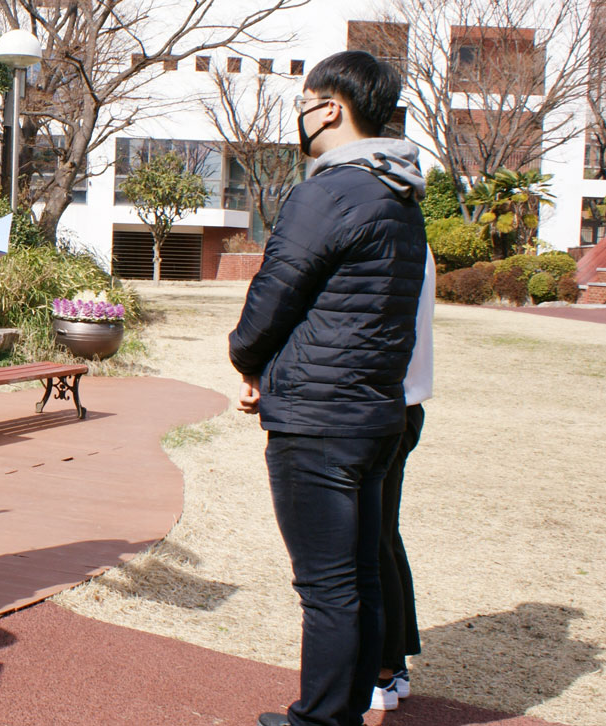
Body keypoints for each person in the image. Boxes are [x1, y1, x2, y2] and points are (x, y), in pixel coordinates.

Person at [229, 51, 427, 726]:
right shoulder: (400, 192)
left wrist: (246, 360)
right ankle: (343, 710)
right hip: (374, 412)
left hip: (317, 417)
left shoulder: (328, 191)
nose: (301, 113)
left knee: (326, 587)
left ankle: (318, 719)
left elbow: (274, 292)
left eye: (305, 100)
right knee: (360, 577)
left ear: (330, 108)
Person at [369, 246, 435, 711]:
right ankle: (394, 664)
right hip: (403, 403)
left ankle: (383, 670)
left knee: (372, 539)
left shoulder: (394, 234)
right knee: (383, 537)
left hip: (383, 405)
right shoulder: (412, 233)